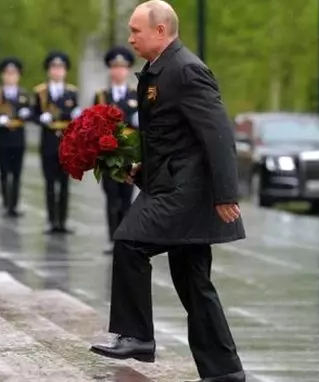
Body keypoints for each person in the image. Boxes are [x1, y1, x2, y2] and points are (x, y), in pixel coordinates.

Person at [89, 2, 246, 382]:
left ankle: (138, 337)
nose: (130, 38)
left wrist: (226, 194)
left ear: (160, 31)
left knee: (129, 242)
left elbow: (218, 135)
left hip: (185, 193)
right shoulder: (160, 69)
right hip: (170, 184)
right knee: (194, 282)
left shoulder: (186, 69)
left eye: (136, 31)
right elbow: (173, 137)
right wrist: (142, 170)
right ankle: (224, 371)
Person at [94, 46, 139, 253]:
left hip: (128, 153)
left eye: (122, 67)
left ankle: (126, 237)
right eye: (115, 67)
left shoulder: (136, 96)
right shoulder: (102, 96)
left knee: (127, 196)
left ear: (128, 70)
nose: (119, 71)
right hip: (109, 154)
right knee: (111, 197)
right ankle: (114, 238)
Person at [33, 51, 81, 234]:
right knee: (50, 183)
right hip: (48, 141)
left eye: (60, 68)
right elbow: (33, 114)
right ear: (48, 71)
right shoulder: (41, 92)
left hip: (67, 143)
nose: (57, 71)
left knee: (65, 184)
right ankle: (52, 220)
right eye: (54, 67)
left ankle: (62, 221)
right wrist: (41, 118)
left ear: (65, 71)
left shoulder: (72, 92)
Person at [0, 57, 32, 217]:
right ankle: (5, 202)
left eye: (13, 73)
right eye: (7, 73)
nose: (10, 76)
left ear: (18, 76)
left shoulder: (23, 94)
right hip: (3, 136)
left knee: (16, 172)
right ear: (3, 76)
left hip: (18, 136)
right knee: (3, 171)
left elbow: (30, 112)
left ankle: (14, 204)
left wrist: (26, 114)